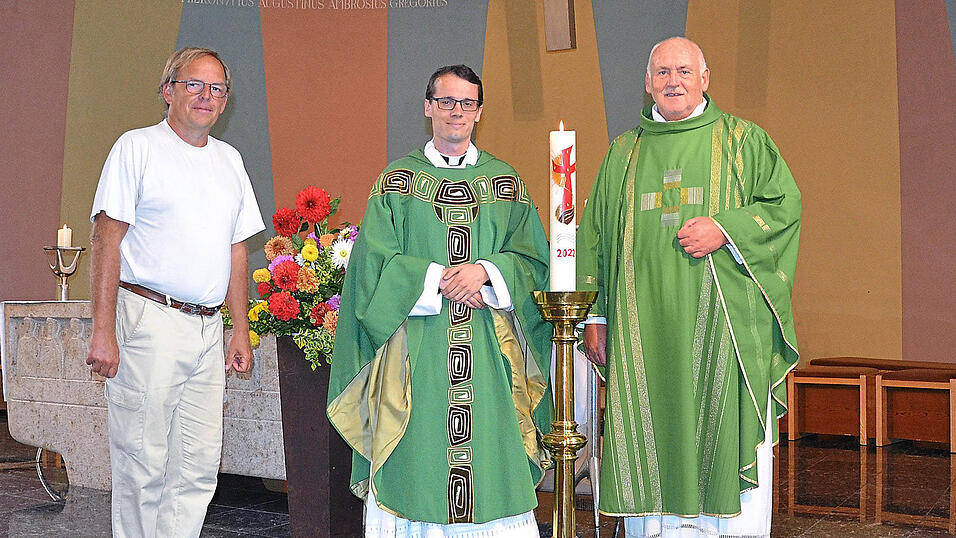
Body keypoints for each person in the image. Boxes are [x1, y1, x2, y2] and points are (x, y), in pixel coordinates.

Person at [577, 37, 801, 537]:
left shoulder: (743, 142)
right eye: (661, 72)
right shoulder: (625, 153)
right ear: (647, 83)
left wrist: (725, 229)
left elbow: (784, 209)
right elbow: (594, 235)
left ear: (705, 77)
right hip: (642, 329)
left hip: (723, 327)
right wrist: (595, 317)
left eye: (683, 71)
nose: (672, 81)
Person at [328, 65, 553, 537]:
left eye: (467, 103)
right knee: (419, 459)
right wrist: (435, 279)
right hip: (417, 348)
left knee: (492, 463)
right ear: (428, 107)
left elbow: (534, 261)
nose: (456, 112)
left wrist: (487, 272)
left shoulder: (506, 183)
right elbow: (372, 266)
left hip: (491, 354)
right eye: (446, 102)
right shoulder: (396, 182)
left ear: (480, 112)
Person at [86, 47, 265, 537]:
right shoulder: (137, 147)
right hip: (149, 321)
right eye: (194, 84)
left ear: (226, 100)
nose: (205, 96)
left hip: (208, 329)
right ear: (168, 91)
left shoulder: (230, 160)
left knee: (197, 466)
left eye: (217, 88)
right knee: (142, 463)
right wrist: (103, 330)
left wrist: (239, 331)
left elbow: (235, 250)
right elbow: (107, 238)